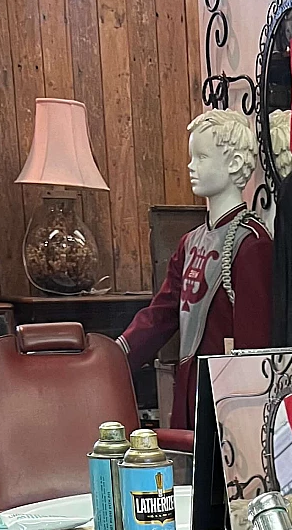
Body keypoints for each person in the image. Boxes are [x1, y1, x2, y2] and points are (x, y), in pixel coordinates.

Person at [117, 110, 272, 430]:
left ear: (233, 164)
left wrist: (244, 418)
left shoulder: (253, 244)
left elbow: (253, 346)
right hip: (189, 391)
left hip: (229, 402)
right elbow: (161, 314)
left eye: (201, 157)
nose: (191, 166)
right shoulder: (190, 243)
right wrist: (115, 356)